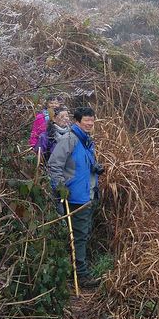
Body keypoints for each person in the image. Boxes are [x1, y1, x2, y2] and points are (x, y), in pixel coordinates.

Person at [47, 106, 104, 287]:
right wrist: (61, 189)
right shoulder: (69, 139)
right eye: (86, 120)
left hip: (87, 195)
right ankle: (80, 275)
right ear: (77, 121)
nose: (89, 124)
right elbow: (54, 166)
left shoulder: (87, 141)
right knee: (79, 235)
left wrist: (95, 168)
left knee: (83, 234)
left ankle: (76, 271)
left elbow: (81, 164)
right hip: (74, 197)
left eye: (92, 121)